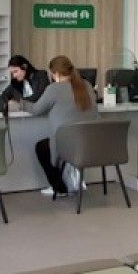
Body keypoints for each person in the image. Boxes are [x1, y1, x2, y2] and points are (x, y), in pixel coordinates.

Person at [27, 55, 99, 196]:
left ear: (56, 73)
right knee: (49, 144)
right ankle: (68, 182)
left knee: (42, 147)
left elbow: (36, 110)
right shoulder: (87, 85)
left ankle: (59, 188)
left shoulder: (54, 89)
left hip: (68, 144)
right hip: (89, 144)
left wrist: (19, 104)